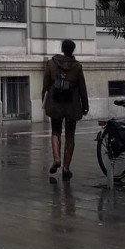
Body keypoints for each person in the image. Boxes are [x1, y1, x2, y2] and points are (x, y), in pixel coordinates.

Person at [42, 39, 89, 182]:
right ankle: (66, 168)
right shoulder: (77, 66)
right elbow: (82, 87)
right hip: (72, 104)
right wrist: (85, 105)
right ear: (73, 50)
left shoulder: (51, 63)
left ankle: (56, 158)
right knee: (70, 135)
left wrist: (44, 100)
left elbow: (45, 84)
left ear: (62, 49)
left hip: (55, 102)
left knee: (55, 131)